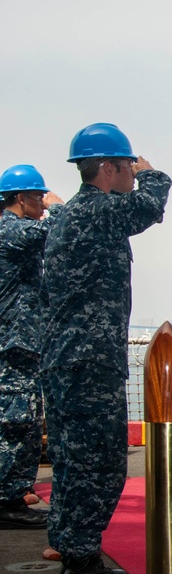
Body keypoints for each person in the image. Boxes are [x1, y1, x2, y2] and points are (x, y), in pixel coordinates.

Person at [41, 123, 170, 574]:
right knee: (100, 464)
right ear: (111, 167)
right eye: (129, 167)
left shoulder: (69, 216)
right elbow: (148, 207)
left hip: (69, 358)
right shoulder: (96, 211)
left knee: (75, 462)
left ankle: (79, 556)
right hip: (88, 362)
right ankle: (80, 563)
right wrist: (155, 174)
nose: (134, 177)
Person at [0, 165, 63, 530]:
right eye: (38, 196)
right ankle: (6, 500)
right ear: (21, 199)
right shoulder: (11, 229)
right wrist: (59, 208)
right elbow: (59, 231)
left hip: (21, 341)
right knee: (16, 421)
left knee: (24, 418)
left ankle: (14, 490)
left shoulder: (14, 229)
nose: (42, 202)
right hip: (13, 343)